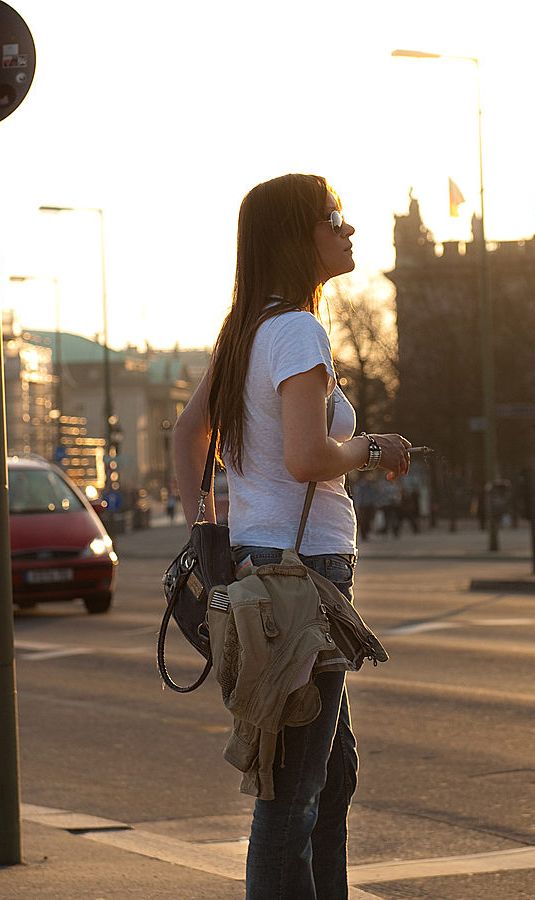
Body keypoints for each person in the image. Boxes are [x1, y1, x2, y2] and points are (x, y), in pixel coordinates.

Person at [172, 173, 410, 900]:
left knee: (328, 778)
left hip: (269, 565)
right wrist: (371, 449)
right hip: (303, 576)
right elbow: (309, 457)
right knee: (293, 794)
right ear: (296, 237)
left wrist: (207, 531)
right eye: (334, 218)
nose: (349, 229)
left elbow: (188, 434)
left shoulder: (247, 329)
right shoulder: (297, 331)